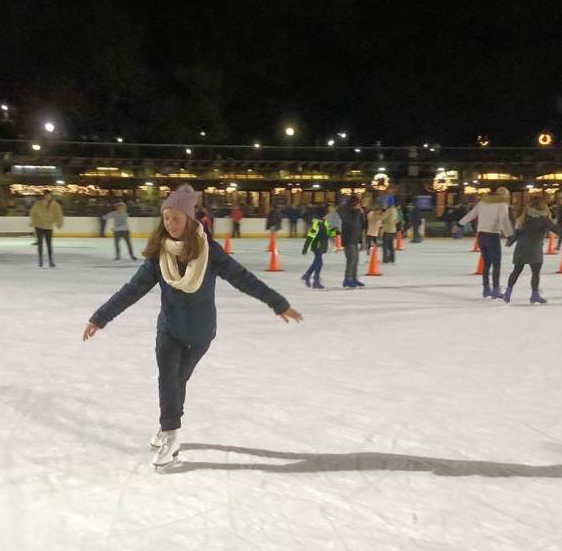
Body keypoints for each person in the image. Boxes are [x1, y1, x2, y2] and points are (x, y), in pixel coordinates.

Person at [83, 185, 303, 469]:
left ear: (189, 218)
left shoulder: (209, 252)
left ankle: (167, 425)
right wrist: (99, 318)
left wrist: (278, 304)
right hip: (169, 330)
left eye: (176, 218)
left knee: (178, 381)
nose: (170, 224)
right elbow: (132, 290)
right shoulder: (159, 255)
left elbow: (243, 278)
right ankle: (172, 434)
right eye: (166, 218)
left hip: (200, 333)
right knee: (168, 380)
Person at [500, 195, 554, 304]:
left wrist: (510, 241)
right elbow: (554, 229)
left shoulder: (524, 216)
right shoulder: (544, 219)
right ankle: (534, 295)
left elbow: (517, 232)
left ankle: (508, 294)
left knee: (516, 271)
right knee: (535, 273)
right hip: (535, 249)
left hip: (521, 248)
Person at [459, 186, 512, 298]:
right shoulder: (502, 204)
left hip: (481, 236)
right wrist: (509, 235)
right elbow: (504, 220)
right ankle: (496, 290)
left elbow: (472, 214)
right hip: (493, 236)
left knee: (487, 263)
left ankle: (486, 288)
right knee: (496, 264)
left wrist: (460, 224)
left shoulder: (483, 202)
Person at [300, 211, 338, 288]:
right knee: (319, 263)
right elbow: (310, 237)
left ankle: (307, 275)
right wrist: (305, 248)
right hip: (317, 246)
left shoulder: (324, 222)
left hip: (322, 246)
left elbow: (329, 232)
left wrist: (335, 231)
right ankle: (315, 280)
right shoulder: (316, 224)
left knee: (316, 262)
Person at [30, 190, 64, 267]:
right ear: (44, 196)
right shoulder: (38, 204)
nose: (48, 197)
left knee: (49, 244)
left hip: (49, 226)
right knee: (40, 244)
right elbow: (33, 213)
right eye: (46, 195)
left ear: (51, 196)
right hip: (39, 226)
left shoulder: (55, 205)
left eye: (49, 195)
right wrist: (33, 222)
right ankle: (40, 260)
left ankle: (51, 261)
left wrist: (59, 223)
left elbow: (59, 214)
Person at [338, 196, 365, 288]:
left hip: (355, 238)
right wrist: (357, 212)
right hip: (348, 239)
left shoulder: (355, 212)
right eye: (357, 204)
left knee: (356, 260)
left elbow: (362, 223)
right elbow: (351, 223)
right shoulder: (345, 211)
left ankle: (353, 278)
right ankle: (347, 279)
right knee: (351, 259)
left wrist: (361, 213)